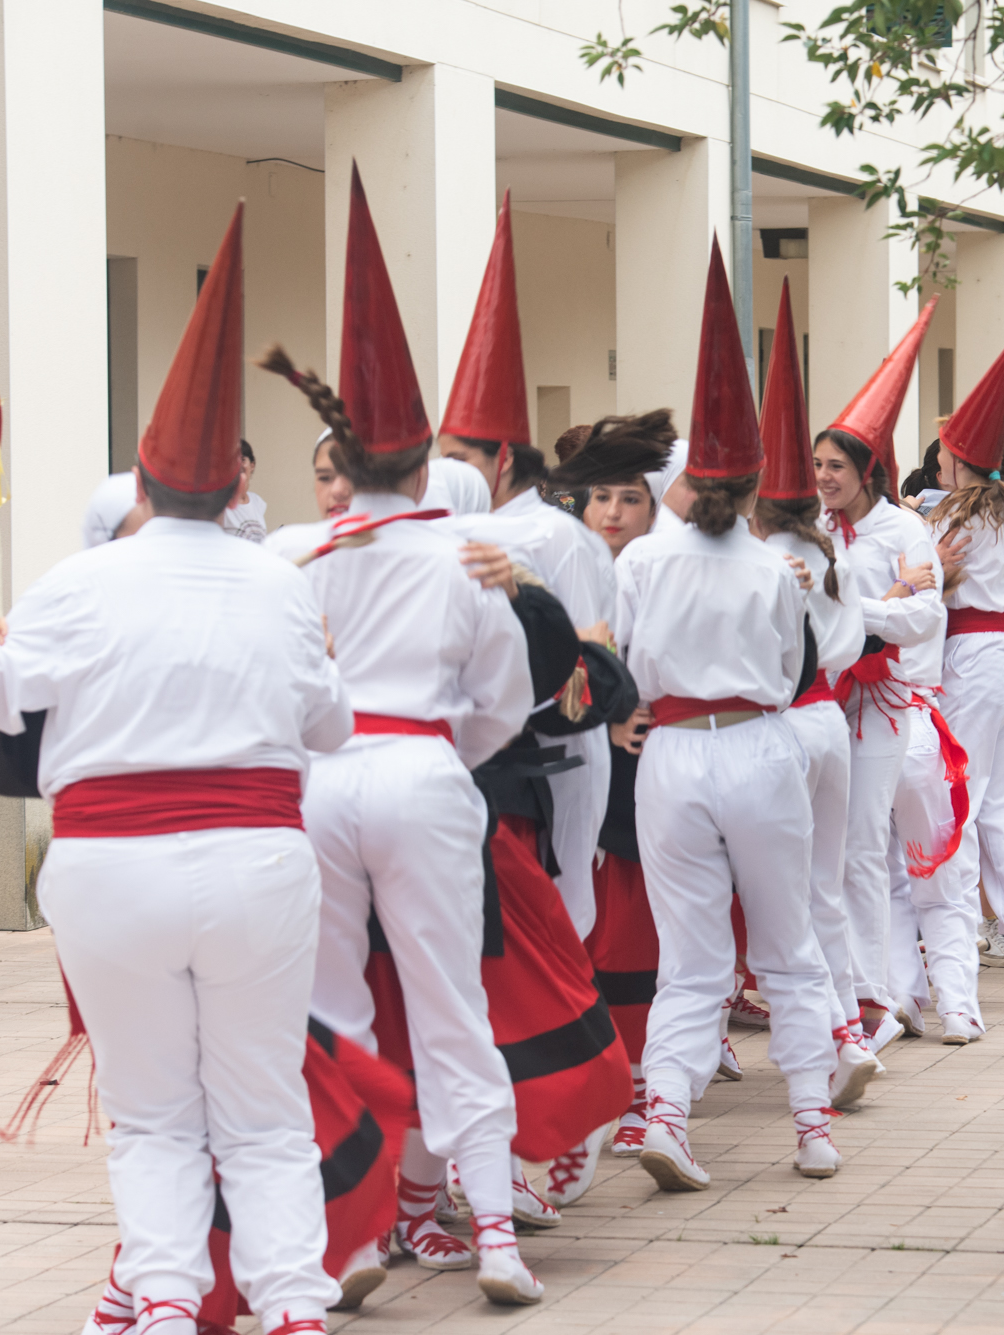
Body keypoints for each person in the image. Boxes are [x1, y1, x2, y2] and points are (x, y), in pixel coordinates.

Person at [0, 206, 356, 1335]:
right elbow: (329, 728)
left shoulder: (79, 584)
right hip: (258, 861)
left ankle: (165, 1301)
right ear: (235, 490)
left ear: (142, 485)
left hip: (111, 868)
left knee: (154, 1113)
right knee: (263, 1110)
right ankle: (292, 1308)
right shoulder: (280, 582)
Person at [259, 170, 548, 1304]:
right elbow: (506, 700)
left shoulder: (291, 553)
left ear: (344, 463)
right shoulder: (465, 556)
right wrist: (438, 754)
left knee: (331, 1009)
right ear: (425, 466)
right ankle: (495, 1237)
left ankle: (351, 1241)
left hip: (318, 780)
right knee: (450, 1002)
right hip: (422, 769)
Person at [617, 237, 841, 1189]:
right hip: (757, 745)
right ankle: (812, 1123)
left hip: (671, 752)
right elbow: (794, 672)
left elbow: (625, 666)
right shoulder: (774, 570)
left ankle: (667, 1112)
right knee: (788, 940)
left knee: (690, 954)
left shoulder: (641, 560)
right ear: (752, 485)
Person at [436, 195, 615, 940]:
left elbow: (583, 654)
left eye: (459, 458)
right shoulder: (459, 529)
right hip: (491, 750)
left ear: (502, 458)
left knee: (561, 908)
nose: (445, 473)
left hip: (554, 745)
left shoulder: (553, 535)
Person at [911, 299, 1004, 1023]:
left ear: (957, 460)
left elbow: (926, 583)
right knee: (1000, 793)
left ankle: (963, 930)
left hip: (972, 655)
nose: (935, 458)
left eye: (943, 450)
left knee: (962, 796)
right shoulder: (1001, 508)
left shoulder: (953, 513)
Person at [751, 280, 879, 1103]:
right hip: (831, 719)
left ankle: (832, 1034)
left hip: (784, 726)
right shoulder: (834, 556)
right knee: (824, 887)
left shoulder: (766, 563)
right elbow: (854, 641)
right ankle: (852, 1028)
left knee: (787, 893)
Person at [813, 299, 943, 1040]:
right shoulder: (813, 529)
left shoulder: (906, 528)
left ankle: (876, 997)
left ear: (867, 469)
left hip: (880, 703)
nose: (823, 476)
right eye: (817, 464)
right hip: (816, 703)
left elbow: (925, 619)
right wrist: (877, 602)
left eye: (835, 465)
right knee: (825, 849)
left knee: (863, 842)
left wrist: (859, 610)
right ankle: (848, 990)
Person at [551, 412, 674, 1156]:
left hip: (641, 772)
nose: (614, 513)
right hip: (564, 769)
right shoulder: (560, 566)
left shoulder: (665, 569)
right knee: (577, 934)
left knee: (633, 931)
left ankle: (638, 1084)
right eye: (601, 497)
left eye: (631, 499)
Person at [221, 440, 268, 541]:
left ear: (252, 465)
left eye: (243, 460)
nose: (238, 465)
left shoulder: (257, 502)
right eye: (233, 461)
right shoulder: (221, 504)